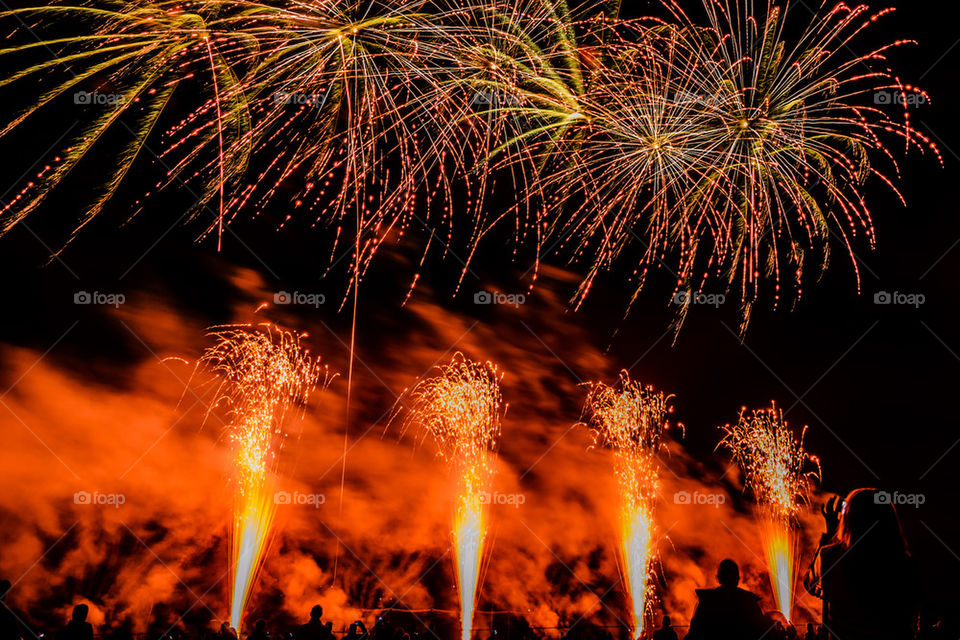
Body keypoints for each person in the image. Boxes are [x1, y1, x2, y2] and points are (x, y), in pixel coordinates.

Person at [804, 489, 917, 640]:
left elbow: (811, 585)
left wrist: (831, 535)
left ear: (850, 519)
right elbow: (914, 606)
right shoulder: (902, 562)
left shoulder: (832, 556)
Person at [686, 559, 767, 640]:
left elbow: (695, 632)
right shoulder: (749, 601)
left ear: (718, 577)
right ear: (738, 578)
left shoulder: (707, 600)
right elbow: (761, 631)